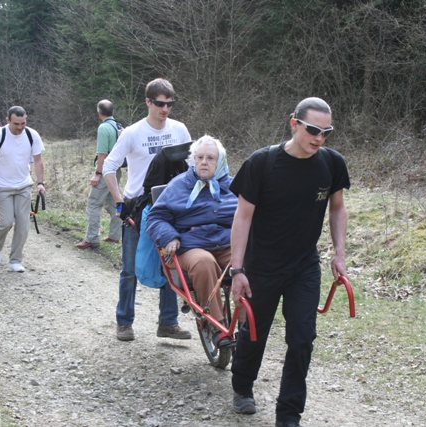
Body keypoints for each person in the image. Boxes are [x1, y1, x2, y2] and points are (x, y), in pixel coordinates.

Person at [229, 97, 350, 427]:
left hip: (304, 266)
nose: (319, 138)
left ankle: (289, 414)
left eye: (327, 132)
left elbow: (337, 208)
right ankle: (242, 386)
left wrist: (339, 253)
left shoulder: (332, 163)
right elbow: (242, 217)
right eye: (313, 129)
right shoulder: (262, 163)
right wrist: (238, 269)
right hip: (261, 266)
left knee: (302, 337)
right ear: (294, 123)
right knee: (254, 334)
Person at [103, 78, 192, 342]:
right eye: (160, 104)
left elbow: (192, 164)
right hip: (138, 207)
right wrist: (119, 201)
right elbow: (109, 167)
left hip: (170, 206)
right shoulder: (132, 133)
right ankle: (124, 322)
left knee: (171, 264)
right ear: (148, 102)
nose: (165, 109)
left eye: (170, 104)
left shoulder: (179, 129)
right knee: (130, 268)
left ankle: (168, 322)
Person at [146, 135, 237, 348]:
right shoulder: (178, 186)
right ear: (193, 160)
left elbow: (250, 215)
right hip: (190, 245)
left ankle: (245, 325)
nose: (204, 162)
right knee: (204, 263)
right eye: (200, 157)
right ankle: (217, 326)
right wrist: (169, 236)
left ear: (220, 161)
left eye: (210, 158)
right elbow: (155, 217)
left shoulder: (234, 186)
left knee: (250, 262)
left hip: (227, 242)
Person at [0, 106, 46, 272]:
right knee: (6, 222)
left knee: (23, 225)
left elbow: (38, 160)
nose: (20, 127)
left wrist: (40, 183)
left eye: (23, 123)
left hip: (24, 185)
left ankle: (15, 260)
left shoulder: (32, 135)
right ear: (7, 120)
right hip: (2, 186)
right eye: (16, 123)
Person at [75, 99, 123, 249]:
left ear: (99, 112)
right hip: (117, 170)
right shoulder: (119, 127)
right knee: (113, 203)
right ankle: (115, 236)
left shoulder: (104, 128)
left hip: (106, 171)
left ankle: (91, 239)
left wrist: (97, 174)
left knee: (94, 203)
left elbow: (102, 154)